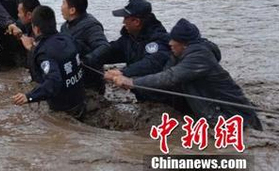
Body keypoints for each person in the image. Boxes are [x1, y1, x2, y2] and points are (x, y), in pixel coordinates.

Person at [113, 19, 263, 130]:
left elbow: (170, 77)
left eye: (174, 40)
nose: (170, 43)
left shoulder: (199, 56)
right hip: (212, 117)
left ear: (185, 44)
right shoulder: (178, 55)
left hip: (235, 120)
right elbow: (163, 79)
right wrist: (130, 84)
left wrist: (131, 82)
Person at [85, 0, 171, 101]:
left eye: (126, 18)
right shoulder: (129, 37)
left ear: (136, 21)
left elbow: (152, 63)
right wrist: (89, 55)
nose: (123, 21)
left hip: (161, 95)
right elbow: (112, 51)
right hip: (140, 94)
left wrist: (123, 72)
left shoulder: (158, 39)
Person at [12, 6, 86, 117]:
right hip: (80, 99)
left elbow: (54, 82)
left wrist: (29, 96)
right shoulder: (68, 38)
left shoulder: (44, 52)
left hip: (64, 110)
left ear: (36, 29)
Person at [60, 0, 109, 93]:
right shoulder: (64, 26)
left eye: (63, 3)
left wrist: (86, 60)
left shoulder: (91, 26)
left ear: (72, 10)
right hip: (72, 77)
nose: (61, 7)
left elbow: (104, 47)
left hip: (90, 81)